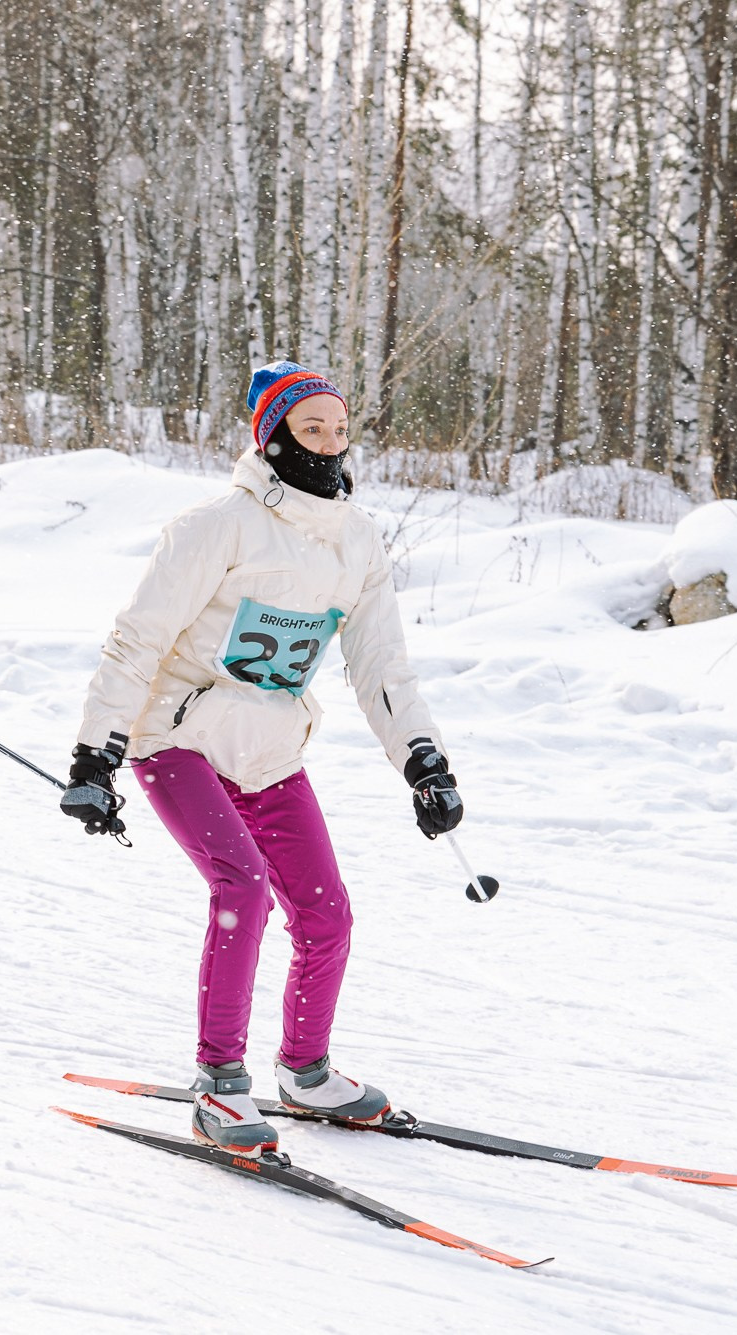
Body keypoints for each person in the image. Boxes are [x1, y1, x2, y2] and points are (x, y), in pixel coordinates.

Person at [59, 361, 464, 1158]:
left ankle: (306, 1072)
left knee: (326, 912)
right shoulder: (217, 526)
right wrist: (94, 757)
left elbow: (380, 663)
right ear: (272, 436)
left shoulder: (358, 542)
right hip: (175, 737)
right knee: (241, 885)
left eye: (340, 431)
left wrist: (424, 762)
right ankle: (219, 1081)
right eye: (311, 429)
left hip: (268, 745)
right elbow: (138, 639)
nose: (329, 445)